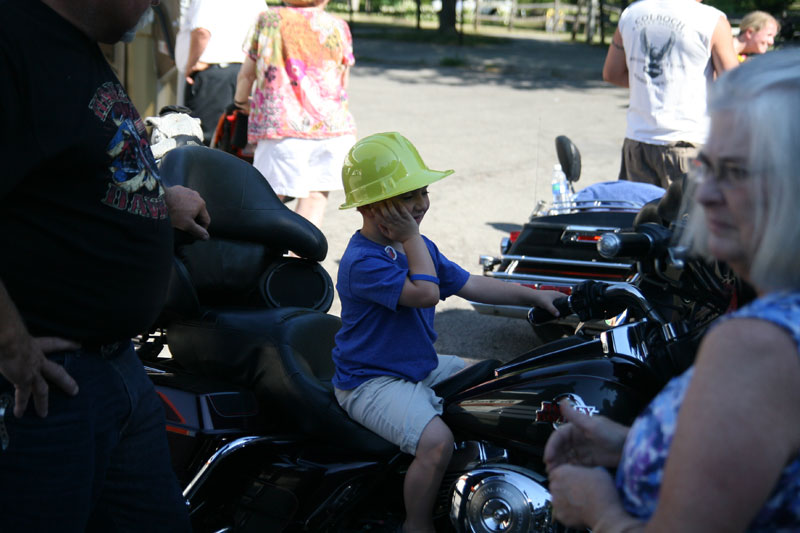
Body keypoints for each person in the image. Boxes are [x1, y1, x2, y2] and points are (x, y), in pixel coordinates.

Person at [544, 48, 800, 532]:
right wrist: (624, 445)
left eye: (737, 171)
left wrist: (596, 510)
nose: (702, 193)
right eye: (706, 166)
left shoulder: (758, 346)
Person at [0, 0, 212, 530]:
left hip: (116, 371)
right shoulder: (12, 44)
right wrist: (10, 346)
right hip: (49, 384)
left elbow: (65, 178)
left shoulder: (76, 46)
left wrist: (159, 202)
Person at [331, 132, 565, 533]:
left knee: (496, 383)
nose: (420, 203)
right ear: (370, 207)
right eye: (407, 197)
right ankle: (416, 523)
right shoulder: (362, 262)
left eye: (422, 191)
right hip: (371, 380)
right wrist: (411, 237)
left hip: (417, 367)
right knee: (435, 442)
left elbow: (470, 284)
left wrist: (534, 295)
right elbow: (426, 293)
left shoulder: (416, 246)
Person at [234, 0, 356, 230]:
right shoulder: (339, 26)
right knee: (315, 200)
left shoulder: (269, 20)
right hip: (333, 128)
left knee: (266, 201)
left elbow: (247, 75)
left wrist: (241, 102)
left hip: (283, 127)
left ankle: (264, 262)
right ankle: (299, 261)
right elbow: (343, 81)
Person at [603, 0, 739, 189]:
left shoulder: (631, 13)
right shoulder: (712, 20)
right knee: (687, 218)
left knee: (639, 216)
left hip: (637, 141)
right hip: (688, 144)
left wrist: (655, 84)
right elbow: (736, 85)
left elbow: (611, 74)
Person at [183, 0, 265, 144]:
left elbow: (202, 32)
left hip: (216, 77)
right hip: (244, 74)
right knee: (233, 145)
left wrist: (191, 65)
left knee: (203, 142)